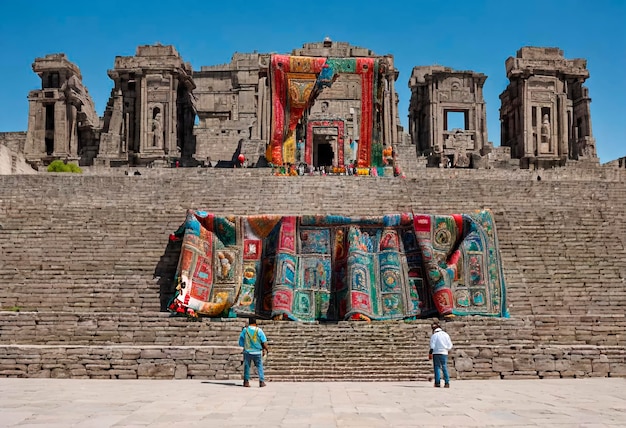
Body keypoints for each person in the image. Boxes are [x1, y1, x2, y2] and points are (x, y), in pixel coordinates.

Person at [238, 317, 269, 387]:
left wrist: (245, 346)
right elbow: (264, 342)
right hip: (257, 352)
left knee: (247, 366)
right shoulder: (259, 330)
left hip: (247, 352)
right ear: (255, 323)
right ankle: (261, 382)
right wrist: (266, 349)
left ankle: (246, 382)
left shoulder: (245, 330)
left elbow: (241, 341)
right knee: (259, 366)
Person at [429, 321, 453, 388]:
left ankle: (437, 383)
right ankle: (447, 382)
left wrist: (430, 353)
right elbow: (450, 345)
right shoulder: (446, 335)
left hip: (436, 353)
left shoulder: (434, 336)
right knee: (444, 367)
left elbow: (432, 346)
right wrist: (446, 349)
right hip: (444, 353)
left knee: (437, 367)